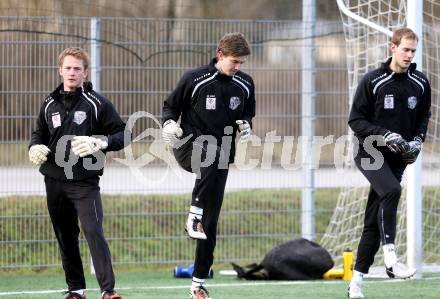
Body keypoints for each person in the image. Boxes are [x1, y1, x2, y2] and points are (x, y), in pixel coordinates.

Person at [161, 32, 255, 299]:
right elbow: (170, 107)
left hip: (221, 156)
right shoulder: (195, 78)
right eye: (234, 61)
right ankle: (193, 213)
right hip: (189, 147)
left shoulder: (246, 84)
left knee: (210, 224)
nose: (238, 67)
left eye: (242, 63)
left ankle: (197, 286)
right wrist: (168, 124)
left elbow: (248, 112)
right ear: (220, 54)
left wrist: (247, 125)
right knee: (210, 150)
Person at [29, 47, 125, 299]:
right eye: (68, 68)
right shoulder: (49, 103)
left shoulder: (98, 103)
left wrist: (101, 142)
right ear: (60, 70)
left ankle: (108, 291)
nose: (72, 73)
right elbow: (39, 133)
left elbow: (123, 134)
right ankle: (76, 290)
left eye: (77, 69)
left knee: (93, 231)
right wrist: (34, 146)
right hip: (54, 180)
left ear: (85, 73)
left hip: (85, 182)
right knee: (65, 234)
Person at [347, 28, 431, 298]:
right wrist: (384, 135)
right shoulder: (372, 81)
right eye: (405, 49)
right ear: (392, 47)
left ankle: (356, 283)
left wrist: (417, 141)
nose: (409, 55)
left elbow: (423, 117)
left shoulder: (420, 83)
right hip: (369, 152)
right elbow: (356, 121)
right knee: (393, 191)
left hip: (398, 158)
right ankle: (391, 258)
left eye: (413, 51)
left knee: (373, 220)